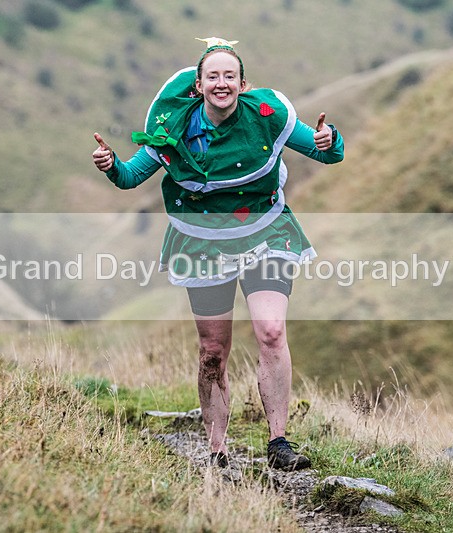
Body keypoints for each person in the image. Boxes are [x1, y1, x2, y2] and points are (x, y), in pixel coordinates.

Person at [92, 37, 344, 471]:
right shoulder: (173, 127)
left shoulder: (267, 117)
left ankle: (279, 443)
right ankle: (216, 451)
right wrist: (112, 164)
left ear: (242, 84)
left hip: (266, 234)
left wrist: (329, 139)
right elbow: (132, 177)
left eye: (230, 76)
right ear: (199, 85)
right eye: (213, 77)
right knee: (212, 350)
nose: (221, 83)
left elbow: (328, 153)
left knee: (271, 332)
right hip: (202, 242)